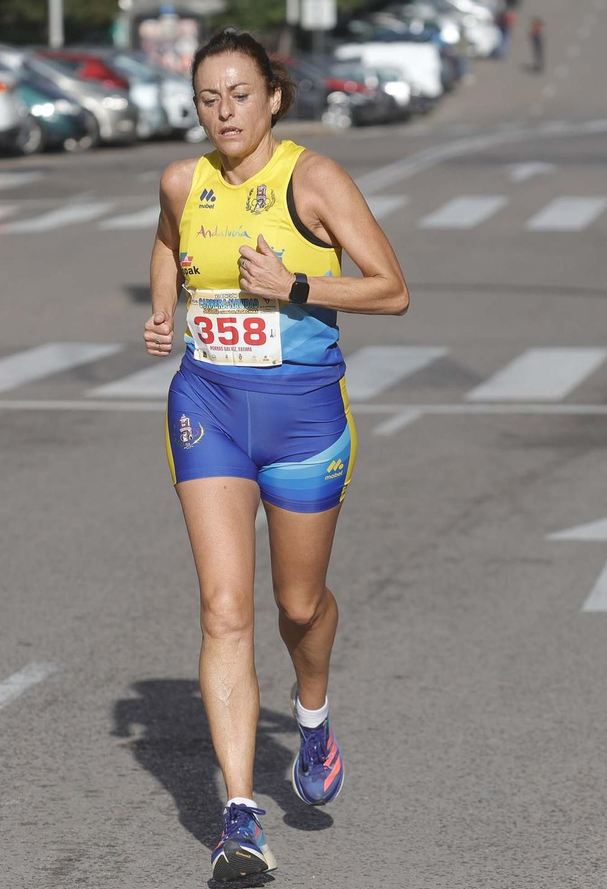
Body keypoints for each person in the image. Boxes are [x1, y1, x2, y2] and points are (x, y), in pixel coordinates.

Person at [141, 27, 409, 883]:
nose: (225, 112)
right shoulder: (185, 181)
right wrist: (160, 310)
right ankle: (240, 816)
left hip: (303, 418)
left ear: (274, 97)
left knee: (297, 607)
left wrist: (294, 284)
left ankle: (316, 710)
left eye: (240, 94)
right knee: (224, 610)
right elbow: (166, 237)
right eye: (208, 98)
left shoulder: (315, 179)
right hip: (209, 406)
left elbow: (393, 289)